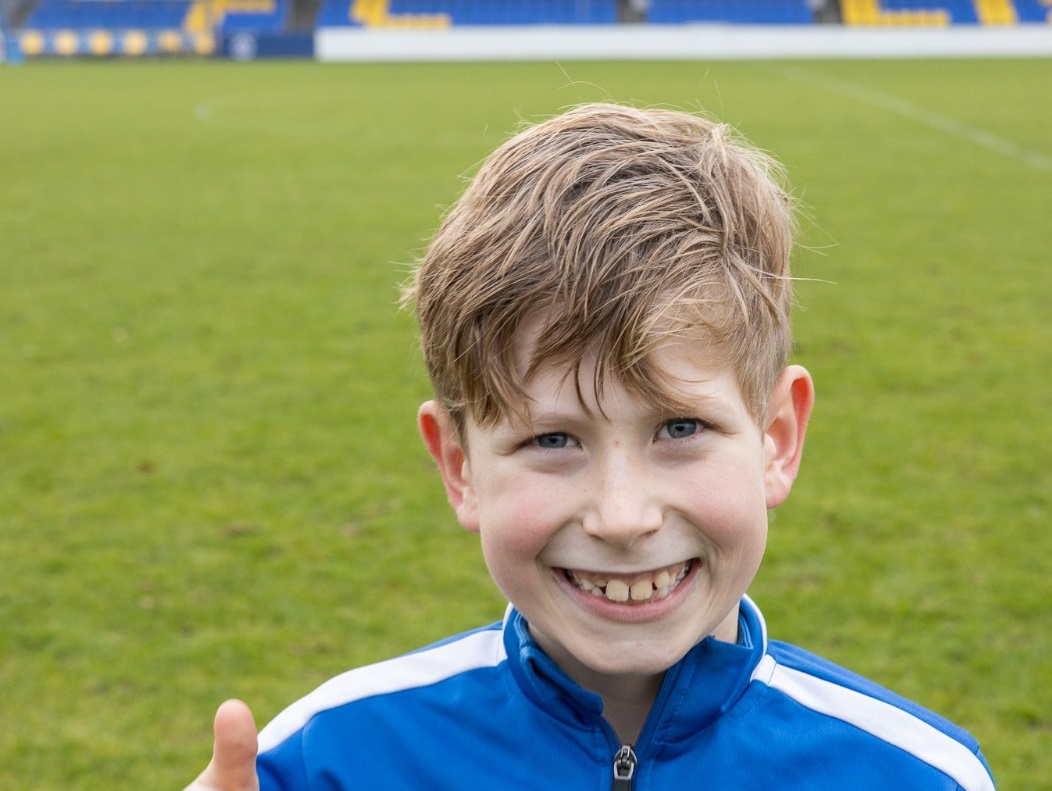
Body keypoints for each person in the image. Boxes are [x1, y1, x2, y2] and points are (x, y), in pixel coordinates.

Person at [185, 103, 996, 790]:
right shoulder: (326, 762)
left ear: (777, 438)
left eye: (679, 428)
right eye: (551, 439)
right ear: (459, 464)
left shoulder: (912, 773)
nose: (621, 515)